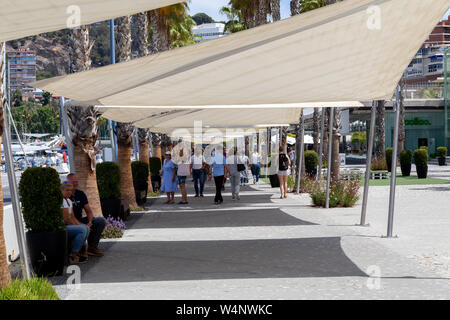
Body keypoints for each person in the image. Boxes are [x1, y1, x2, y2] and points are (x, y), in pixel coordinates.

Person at [67, 173, 106, 257]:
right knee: (84, 228)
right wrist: (84, 225)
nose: (75, 183)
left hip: (79, 220)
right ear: (68, 183)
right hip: (71, 222)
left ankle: (92, 247)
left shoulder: (80, 194)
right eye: (73, 181)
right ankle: (77, 251)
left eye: (76, 181)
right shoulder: (66, 197)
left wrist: (90, 222)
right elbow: (70, 218)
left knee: (100, 221)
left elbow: (88, 211)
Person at [61, 182, 90, 264]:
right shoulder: (61, 200)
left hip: (68, 225)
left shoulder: (69, 201)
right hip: (63, 227)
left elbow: (72, 217)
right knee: (82, 230)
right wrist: (79, 226)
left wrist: (80, 224)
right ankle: (73, 254)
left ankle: (79, 252)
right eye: (67, 190)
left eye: (70, 190)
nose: (69, 192)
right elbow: (66, 219)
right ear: (62, 190)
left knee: (86, 228)